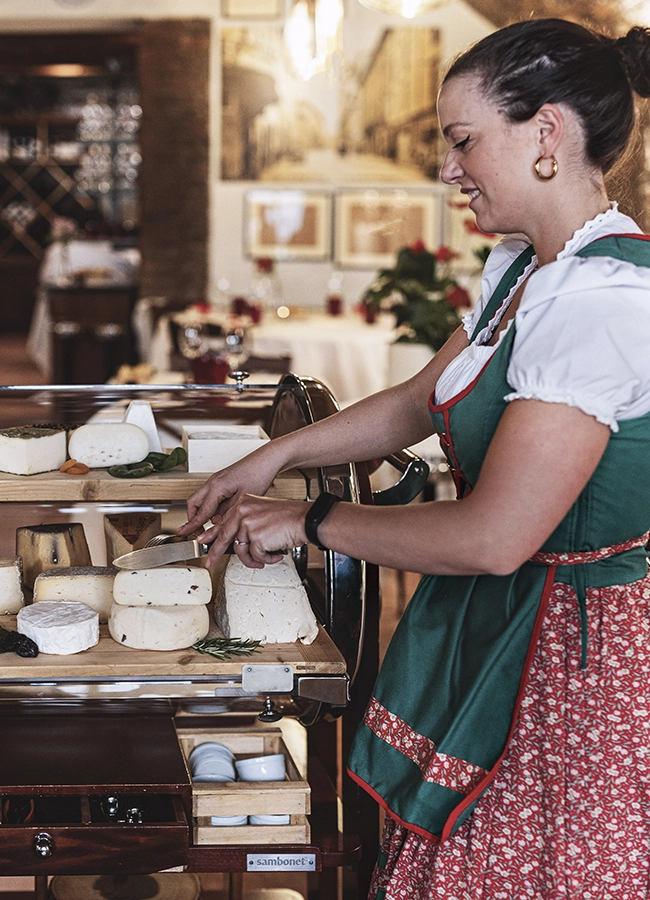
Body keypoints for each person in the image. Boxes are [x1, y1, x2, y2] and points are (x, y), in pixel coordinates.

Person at [180, 17, 650, 897]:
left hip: (572, 663)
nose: (448, 169)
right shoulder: (527, 269)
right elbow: (415, 403)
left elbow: (494, 537)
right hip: (511, 623)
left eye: (464, 140)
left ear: (546, 132)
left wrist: (310, 520)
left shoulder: (601, 302)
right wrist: (272, 456)